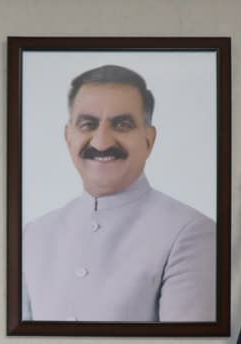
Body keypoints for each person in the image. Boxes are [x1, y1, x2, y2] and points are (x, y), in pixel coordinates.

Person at [22, 64, 215, 323]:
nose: (102, 142)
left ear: (149, 139)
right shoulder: (34, 235)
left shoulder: (190, 232)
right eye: (88, 124)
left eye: (122, 125)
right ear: (68, 137)